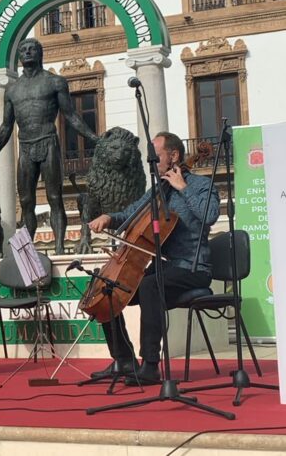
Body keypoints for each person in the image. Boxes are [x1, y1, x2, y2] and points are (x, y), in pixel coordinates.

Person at [87, 131, 220, 385]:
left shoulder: (202, 185)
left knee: (150, 284)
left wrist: (184, 189)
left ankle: (150, 365)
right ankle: (124, 359)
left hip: (192, 268)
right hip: (165, 270)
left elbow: (210, 215)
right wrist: (110, 218)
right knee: (107, 290)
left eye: (155, 156)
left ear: (174, 156)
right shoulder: (159, 190)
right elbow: (131, 211)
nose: (151, 162)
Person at [0, 37, 99, 254]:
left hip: (48, 142)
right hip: (25, 146)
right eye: (23, 49)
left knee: (54, 198)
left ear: (40, 54)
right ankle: (28, 252)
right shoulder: (12, 90)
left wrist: (94, 138)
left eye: (32, 48)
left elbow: (71, 116)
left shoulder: (55, 82)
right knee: (26, 202)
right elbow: (6, 126)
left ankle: (60, 249)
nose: (27, 52)